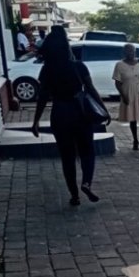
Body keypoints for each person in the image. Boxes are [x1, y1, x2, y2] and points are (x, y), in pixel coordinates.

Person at [31, 25, 105, 206]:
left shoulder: (47, 70)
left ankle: (74, 196)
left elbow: (42, 97)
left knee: (67, 156)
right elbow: (91, 89)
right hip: (80, 112)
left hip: (60, 113)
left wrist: (36, 121)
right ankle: (86, 182)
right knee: (87, 151)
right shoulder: (78, 66)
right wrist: (103, 109)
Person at [113, 43, 139, 153]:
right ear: (124, 52)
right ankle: (135, 140)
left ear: (135, 52)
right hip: (129, 96)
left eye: (132, 51)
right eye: (127, 51)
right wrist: (123, 95)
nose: (130, 53)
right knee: (133, 121)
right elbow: (117, 83)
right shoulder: (119, 65)